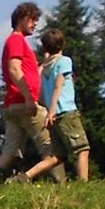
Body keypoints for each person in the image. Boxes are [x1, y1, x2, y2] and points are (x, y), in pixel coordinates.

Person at [0, 1, 52, 183]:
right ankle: (66, 187)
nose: (35, 24)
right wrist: (30, 98)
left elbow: (27, 73)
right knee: (52, 149)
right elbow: (14, 69)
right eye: (32, 19)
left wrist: (42, 66)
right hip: (25, 104)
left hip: (13, 105)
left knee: (10, 154)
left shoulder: (17, 42)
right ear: (21, 18)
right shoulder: (16, 40)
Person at [30, 27, 88, 182]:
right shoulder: (64, 62)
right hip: (66, 111)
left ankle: (26, 176)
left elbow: (41, 93)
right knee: (82, 149)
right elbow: (59, 85)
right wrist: (53, 109)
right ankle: (84, 183)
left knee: (58, 156)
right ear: (62, 44)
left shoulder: (44, 68)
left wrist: (49, 110)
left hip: (52, 116)